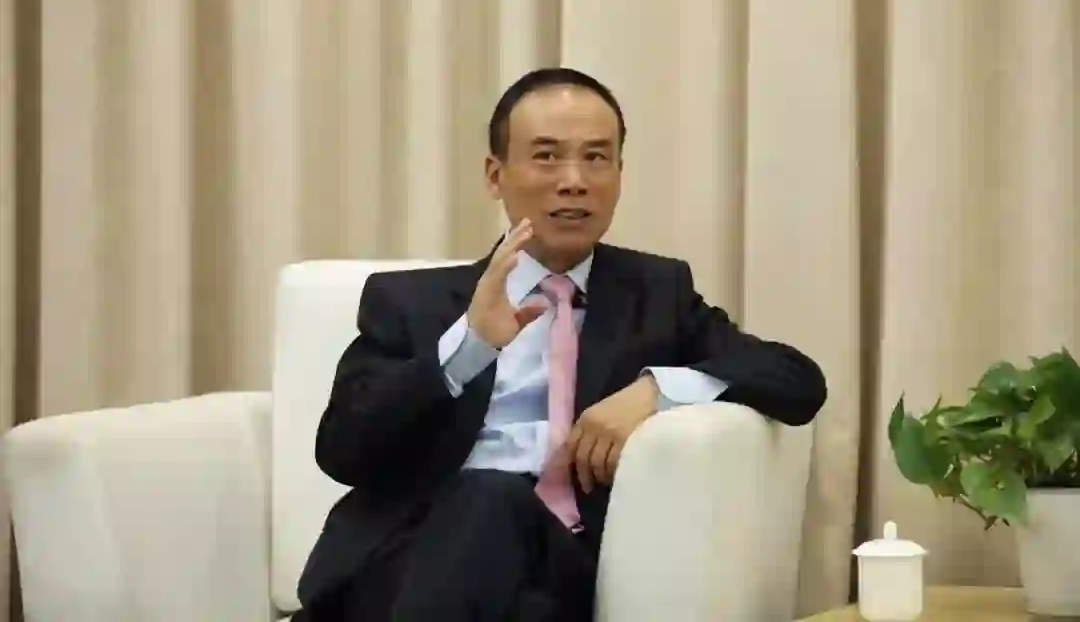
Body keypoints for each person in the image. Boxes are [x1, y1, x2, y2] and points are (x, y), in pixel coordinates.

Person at [294, 68, 827, 622]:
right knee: (491, 517)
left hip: (557, 559)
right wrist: (467, 348)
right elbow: (342, 450)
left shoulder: (656, 293)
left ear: (619, 173)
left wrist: (655, 390)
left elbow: (796, 379)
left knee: (496, 506)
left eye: (596, 158)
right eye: (547, 156)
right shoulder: (414, 301)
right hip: (406, 559)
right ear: (495, 175)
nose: (574, 181)